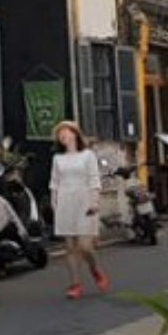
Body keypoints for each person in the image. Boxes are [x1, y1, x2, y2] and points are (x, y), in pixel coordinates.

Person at [50, 120, 109, 300]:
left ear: (75, 134)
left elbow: (94, 180)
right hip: (65, 201)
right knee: (70, 247)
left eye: (66, 132)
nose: (63, 136)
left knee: (85, 246)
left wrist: (95, 202)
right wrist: (54, 203)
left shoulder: (88, 155)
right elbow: (54, 183)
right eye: (60, 134)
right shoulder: (57, 159)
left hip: (84, 200)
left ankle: (96, 270)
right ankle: (74, 284)